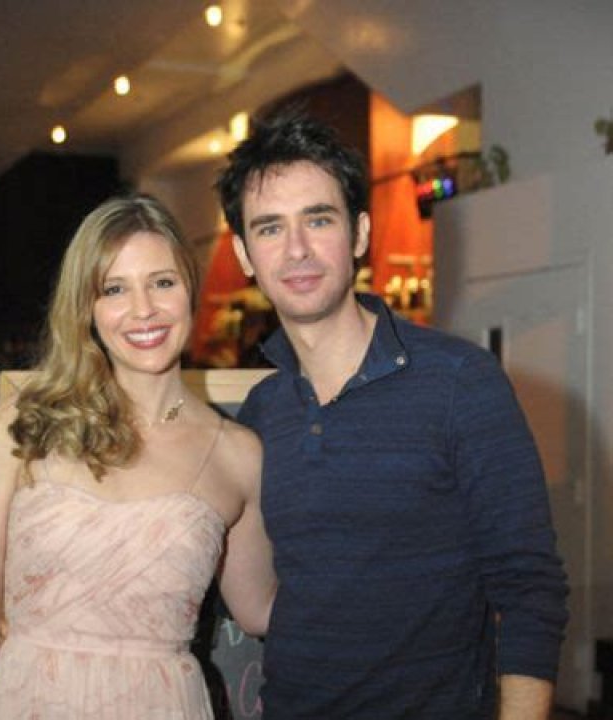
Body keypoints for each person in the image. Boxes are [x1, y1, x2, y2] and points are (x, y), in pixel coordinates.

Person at [215, 111, 569, 719]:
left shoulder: (460, 382)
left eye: (318, 219)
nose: (296, 249)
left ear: (358, 234)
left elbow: (530, 589)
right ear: (246, 255)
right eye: (270, 228)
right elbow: (261, 602)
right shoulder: (261, 414)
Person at [0, 192, 276, 719]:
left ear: (191, 289)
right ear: (87, 308)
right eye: (114, 289)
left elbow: (260, 610)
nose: (143, 309)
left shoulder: (239, 455)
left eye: (162, 282)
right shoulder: (20, 424)